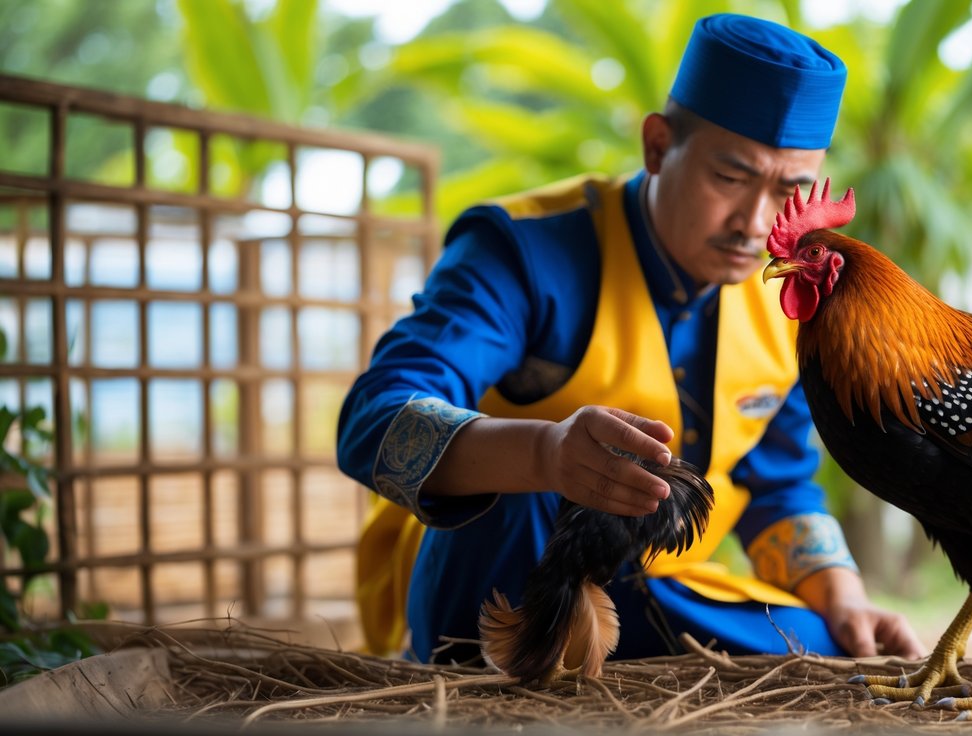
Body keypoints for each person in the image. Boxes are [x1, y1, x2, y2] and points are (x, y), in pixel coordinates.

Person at [337, 13, 925, 665]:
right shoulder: (520, 251)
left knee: (829, 651)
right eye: (729, 178)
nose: (754, 224)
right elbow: (372, 420)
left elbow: (776, 484)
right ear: (656, 146)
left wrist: (843, 597)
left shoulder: (785, 294)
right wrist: (543, 453)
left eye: (788, 190)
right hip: (497, 579)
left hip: (656, 588)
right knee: (519, 502)